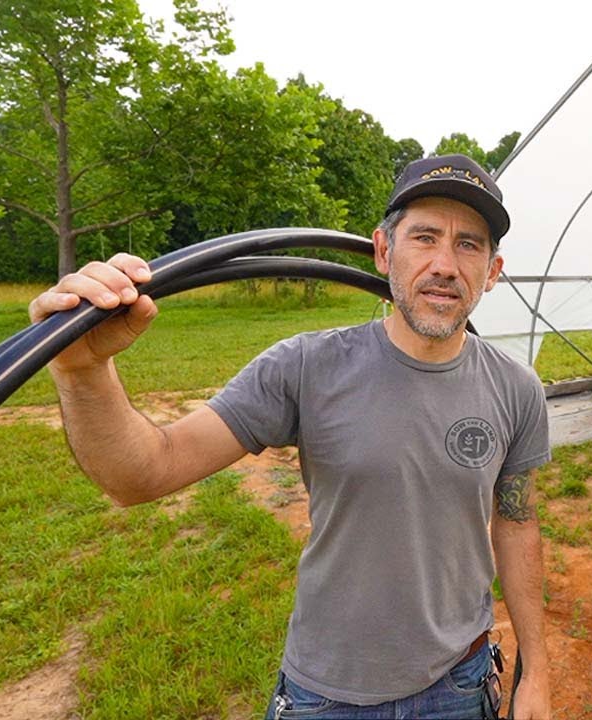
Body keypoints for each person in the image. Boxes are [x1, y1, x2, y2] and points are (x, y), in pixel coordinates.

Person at [28, 155, 552, 719]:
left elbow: (518, 524)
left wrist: (538, 672)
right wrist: (83, 373)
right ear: (383, 251)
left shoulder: (515, 387)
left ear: (492, 271)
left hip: (462, 682)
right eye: (424, 237)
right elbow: (142, 474)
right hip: (328, 695)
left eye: (469, 245)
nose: (445, 264)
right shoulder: (305, 367)